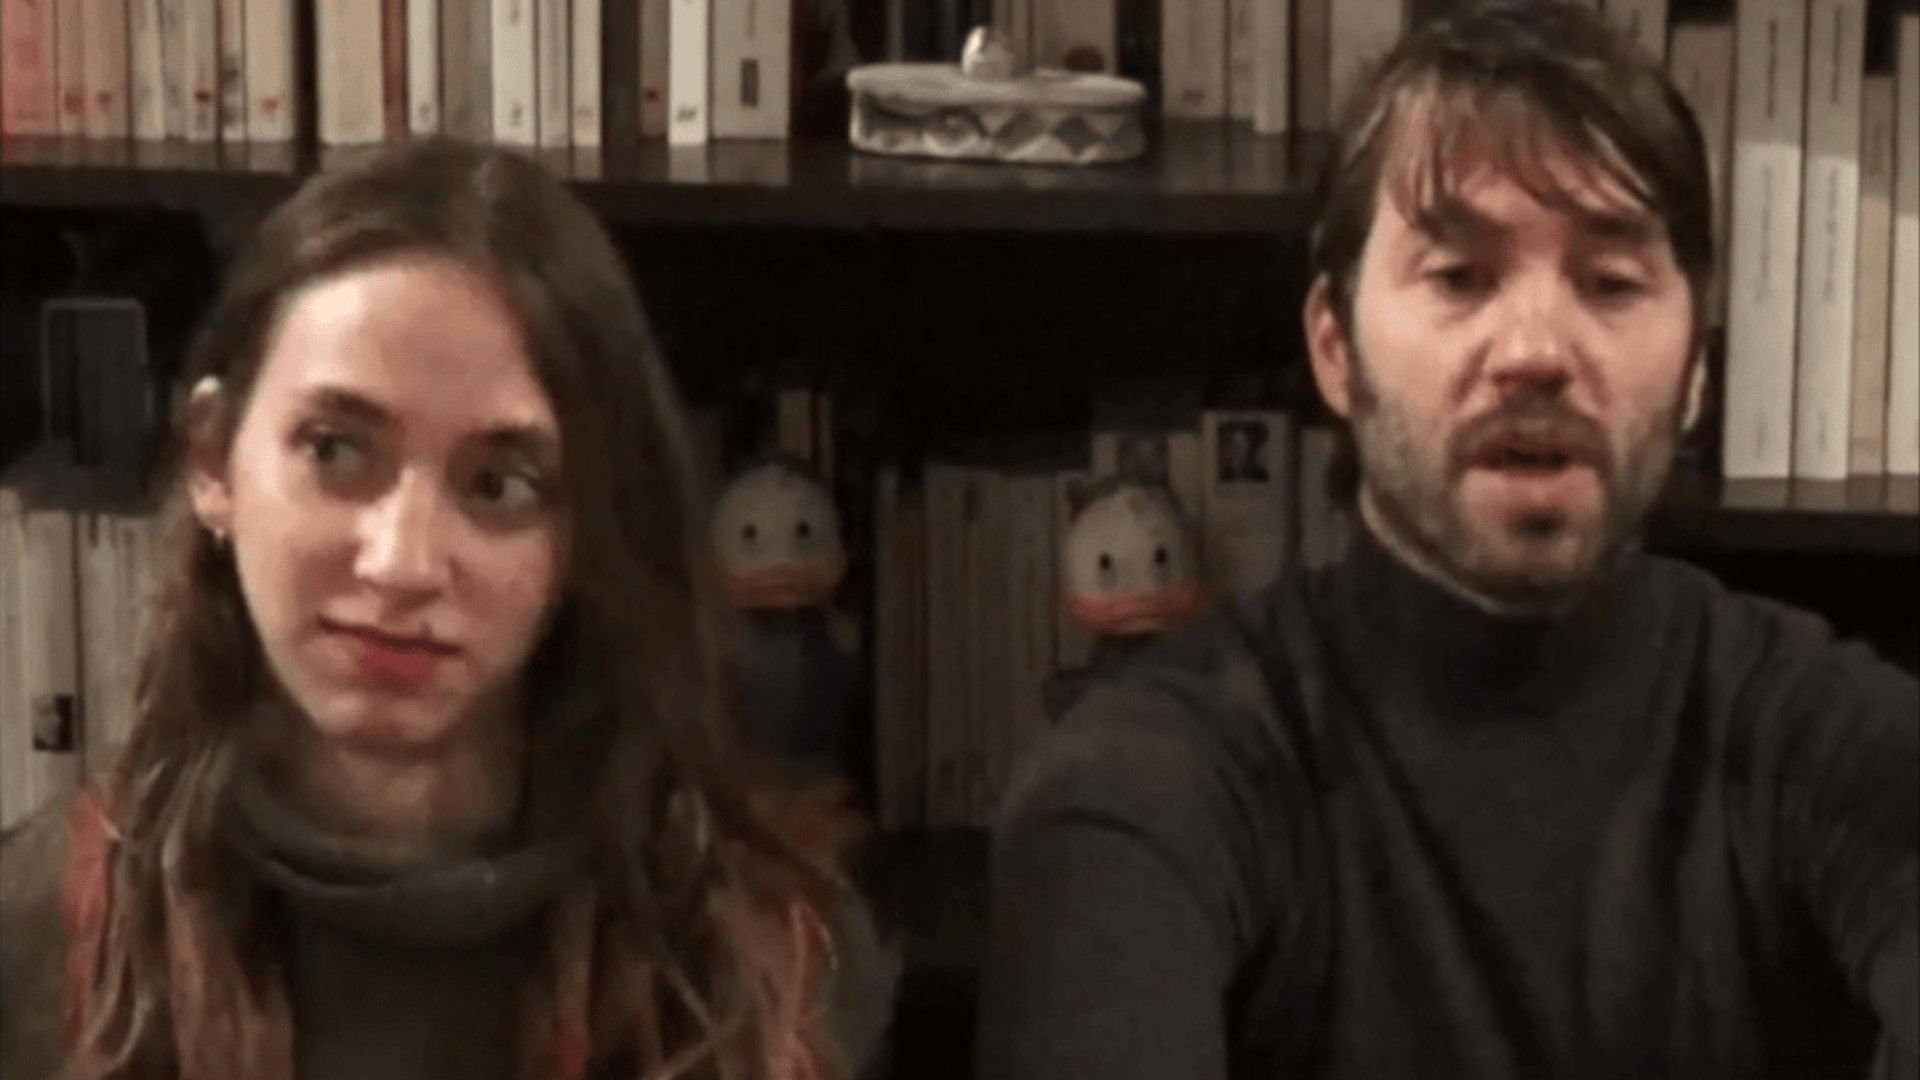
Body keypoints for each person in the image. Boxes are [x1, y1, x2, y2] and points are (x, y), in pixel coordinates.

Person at [977, 4, 1918, 1078]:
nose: (1535, 351)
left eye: (1611, 283)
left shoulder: (1824, 736)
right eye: (1460, 276)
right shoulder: (1151, 778)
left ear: (1698, 372)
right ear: (1336, 350)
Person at [1, 141, 890, 1080]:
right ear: (215, 459)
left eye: (499, 485)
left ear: (587, 530)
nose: (402, 565)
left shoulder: (781, 962)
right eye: (336, 451)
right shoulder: (44, 939)